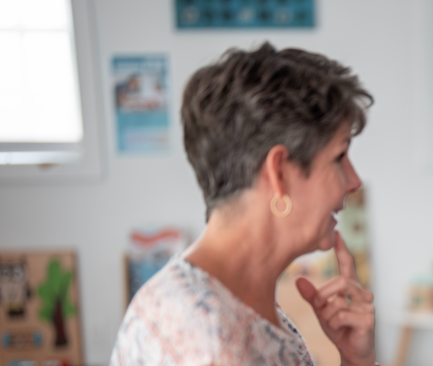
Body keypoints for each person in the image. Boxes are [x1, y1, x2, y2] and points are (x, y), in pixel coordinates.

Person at [110, 43, 377, 366]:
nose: (354, 180)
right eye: (339, 157)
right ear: (278, 172)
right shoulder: (204, 338)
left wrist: (353, 360)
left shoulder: (240, 309)